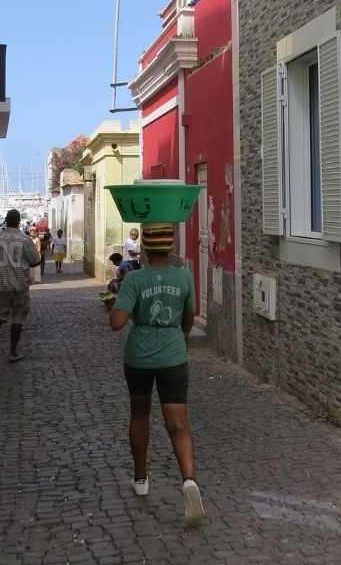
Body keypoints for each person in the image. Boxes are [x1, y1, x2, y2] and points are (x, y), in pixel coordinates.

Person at [109, 222, 205, 527]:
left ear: (146, 249)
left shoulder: (135, 279)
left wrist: (118, 297)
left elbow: (116, 322)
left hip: (139, 355)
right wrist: (182, 338)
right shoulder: (184, 276)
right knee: (178, 422)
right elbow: (189, 316)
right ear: (171, 246)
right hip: (173, 354)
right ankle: (189, 481)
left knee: (139, 414)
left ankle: (141, 478)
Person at [0, 209, 41, 364]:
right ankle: (13, 352)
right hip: (20, 284)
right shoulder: (25, 239)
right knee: (18, 317)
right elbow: (35, 261)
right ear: (19, 222)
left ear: (6, 221)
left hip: (1, 283)